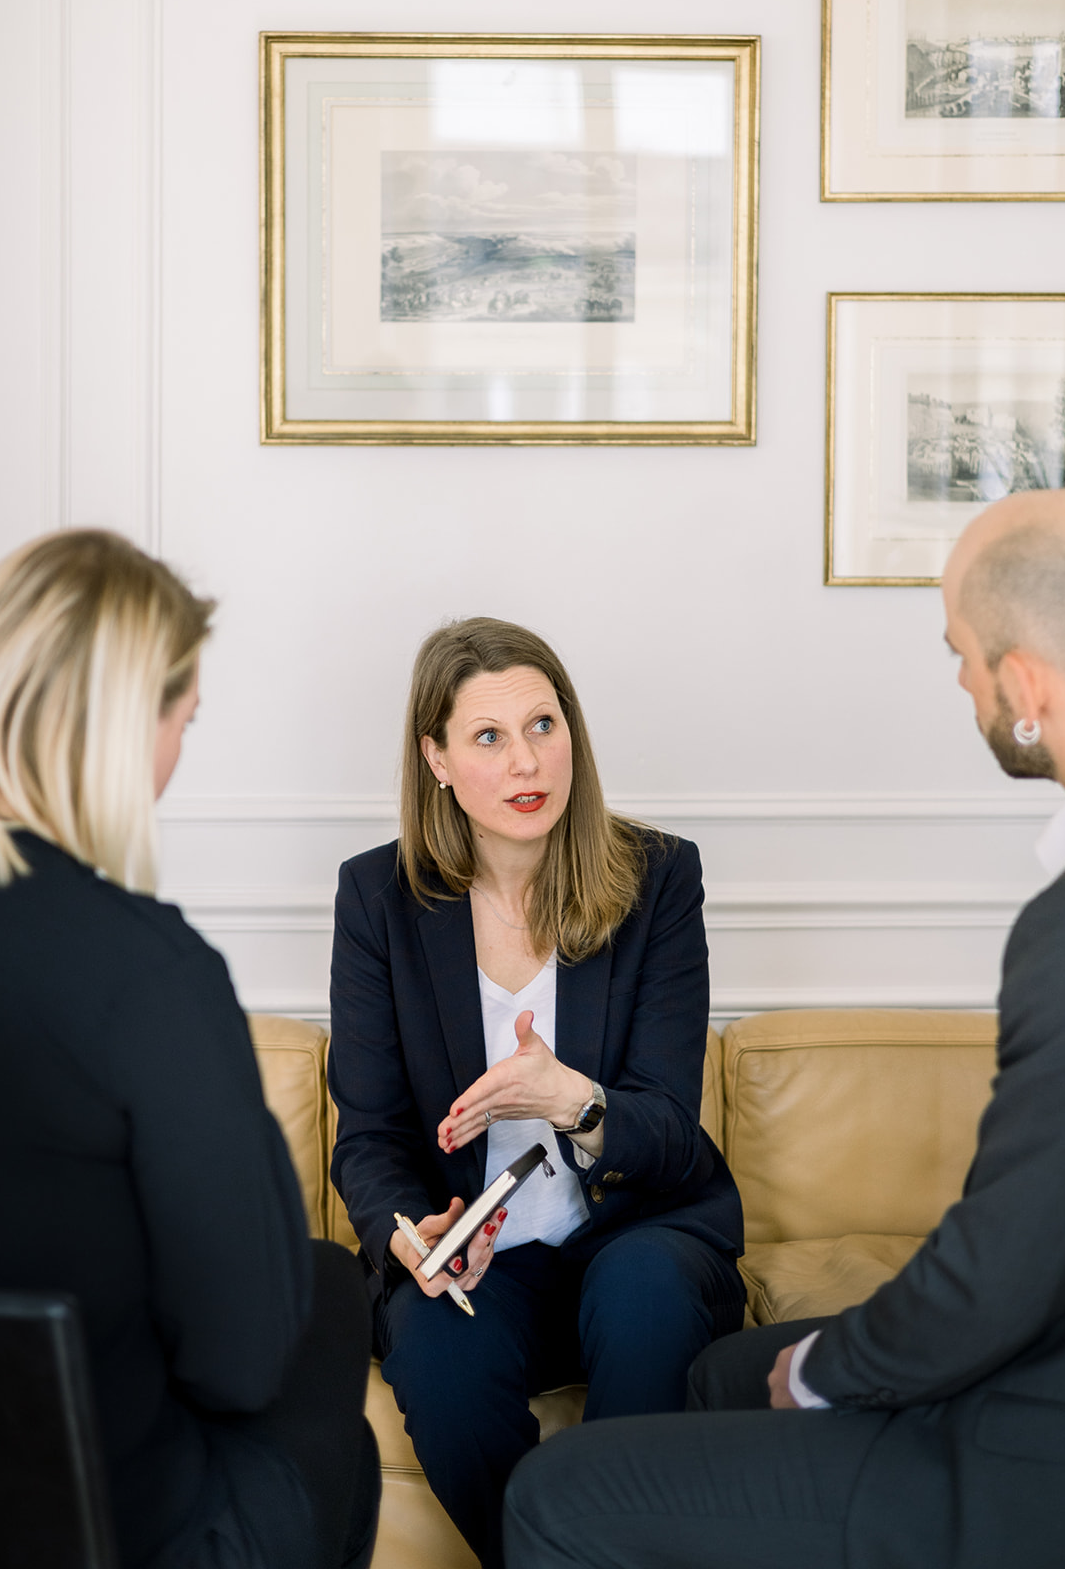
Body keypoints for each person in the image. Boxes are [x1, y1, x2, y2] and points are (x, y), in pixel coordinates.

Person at [503, 486, 1065, 1569]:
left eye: (963, 657)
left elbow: (1002, 1273)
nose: (965, 683)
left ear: (1025, 684)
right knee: (720, 1374)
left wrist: (833, 1368)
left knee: (559, 1492)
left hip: (1059, 1444)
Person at [0, 530, 379, 1569]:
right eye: (183, 720)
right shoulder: (150, 973)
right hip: (122, 1527)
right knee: (332, 1314)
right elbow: (242, 1365)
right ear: (124, 728)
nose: (176, 754)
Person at [328, 616, 745, 1568]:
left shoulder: (657, 879)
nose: (528, 761)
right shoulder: (376, 902)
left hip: (636, 1234)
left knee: (645, 1293)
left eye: (544, 725)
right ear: (434, 758)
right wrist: (411, 1232)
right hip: (484, 1257)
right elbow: (373, 1138)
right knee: (432, 1345)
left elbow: (672, 1135)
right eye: (488, 737)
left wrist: (573, 1102)